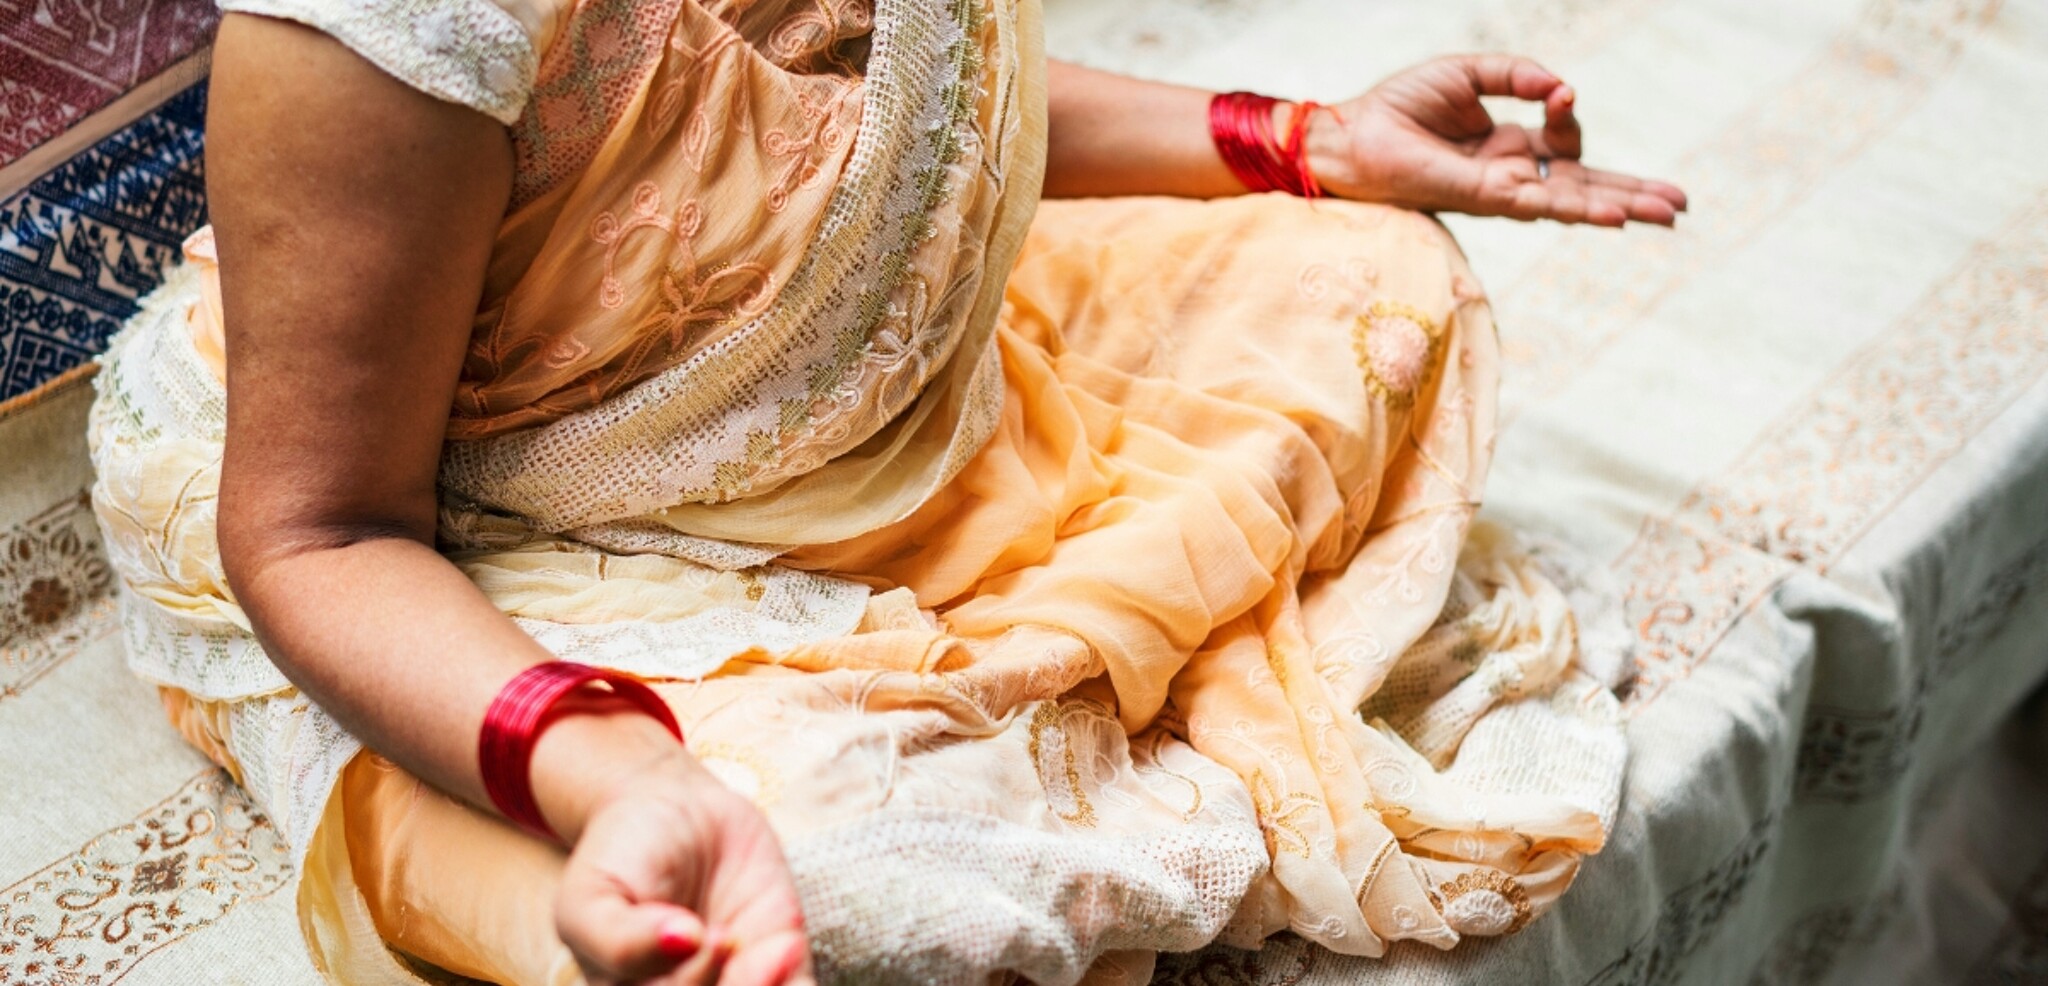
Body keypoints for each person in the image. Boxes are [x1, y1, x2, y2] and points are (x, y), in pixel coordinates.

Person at [87, 0, 1685, 983]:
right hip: (478, 519)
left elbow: (879, 123)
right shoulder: (388, 19)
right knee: (857, 876)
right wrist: (608, 776)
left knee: (1376, 279)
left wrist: (1299, 137)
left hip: (871, 423)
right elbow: (319, 529)